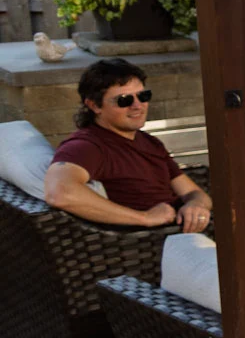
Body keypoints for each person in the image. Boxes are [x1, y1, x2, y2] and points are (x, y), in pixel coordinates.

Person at [43, 58, 211, 233]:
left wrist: (195, 205)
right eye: (124, 100)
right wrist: (144, 218)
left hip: (185, 230)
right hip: (152, 240)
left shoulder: (149, 141)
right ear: (94, 105)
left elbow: (194, 192)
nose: (137, 106)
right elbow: (59, 192)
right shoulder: (86, 147)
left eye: (143, 96)